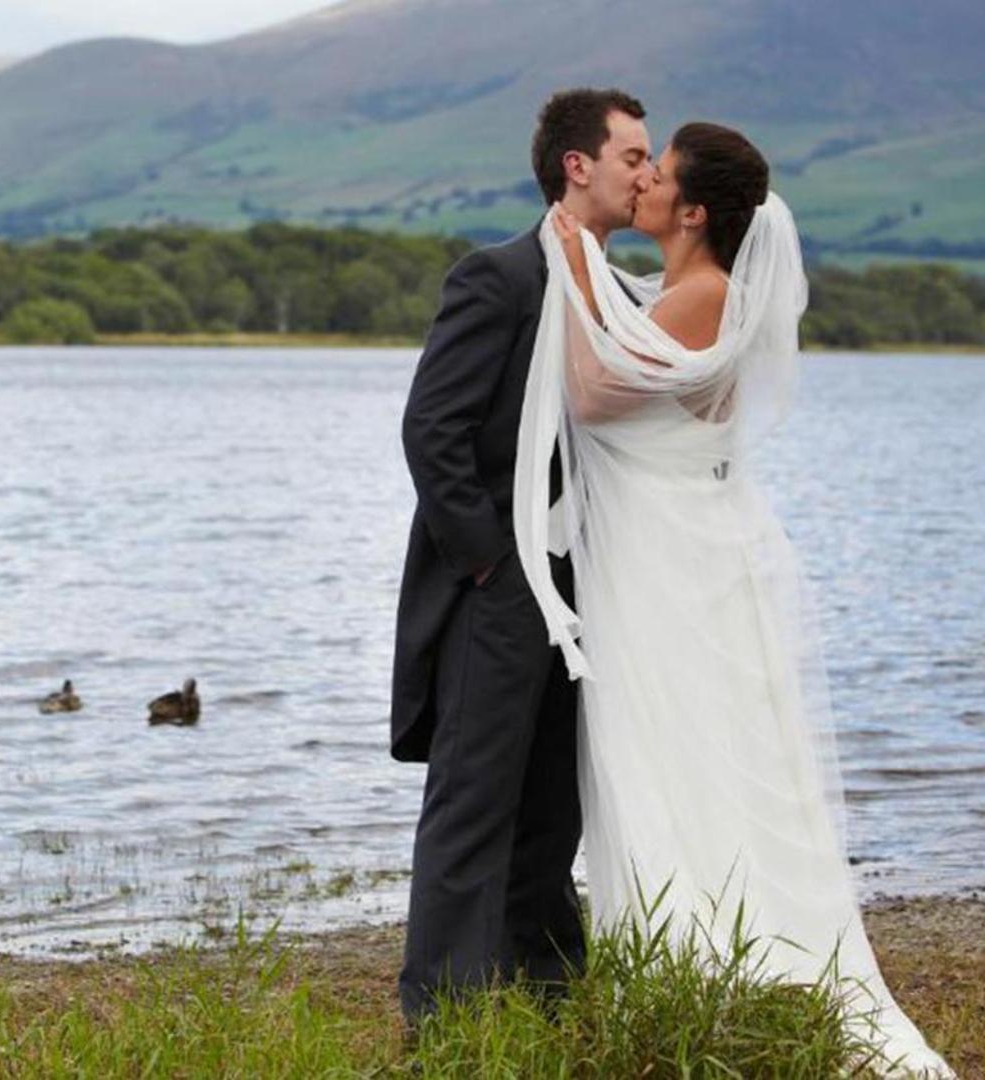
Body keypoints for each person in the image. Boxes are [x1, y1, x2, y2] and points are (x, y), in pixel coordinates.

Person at [524, 121, 955, 1077]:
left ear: (693, 212)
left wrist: (576, 253)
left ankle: (713, 966)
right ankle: (699, 967)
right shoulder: (685, 290)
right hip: (672, 549)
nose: (640, 185)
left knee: (680, 745)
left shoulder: (707, 293)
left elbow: (594, 393)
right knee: (679, 747)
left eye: (659, 175)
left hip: (674, 559)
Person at [391, 87, 654, 1021]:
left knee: (552, 811)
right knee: (471, 804)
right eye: (631, 157)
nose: (646, 175)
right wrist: (490, 566)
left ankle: (548, 999)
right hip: (497, 587)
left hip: (586, 590)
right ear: (576, 165)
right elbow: (432, 430)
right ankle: (443, 1020)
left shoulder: (618, 294)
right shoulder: (496, 278)